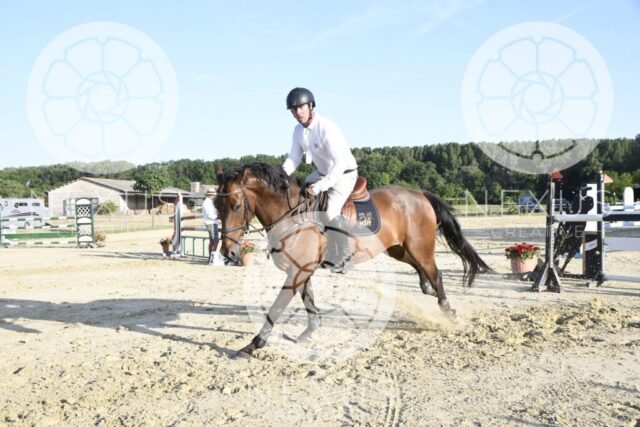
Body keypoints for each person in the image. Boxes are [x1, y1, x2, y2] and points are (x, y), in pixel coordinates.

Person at [282, 87, 358, 273]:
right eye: (294, 109)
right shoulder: (297, 131)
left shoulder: (326, 127)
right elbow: (294, 158)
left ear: (310, 106)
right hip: (322, 173)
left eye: (301, 107)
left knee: (331, 213)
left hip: (343, 174)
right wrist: (279, 175)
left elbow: (339, 164)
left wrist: (319, 187)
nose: (298, 112)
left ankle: (346, 258)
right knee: (300, 193)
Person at [202, 187, 220, 265]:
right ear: (210, 195)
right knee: (215, 240)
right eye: (213, 195)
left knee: (213, 241)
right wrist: (218, 217)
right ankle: (212, 257)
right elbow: (210, 215)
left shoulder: (209, 202)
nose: (214, 196)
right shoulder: (207, 202)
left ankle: (211, 257)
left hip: (212, 222)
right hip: (211, 222)